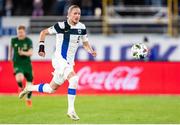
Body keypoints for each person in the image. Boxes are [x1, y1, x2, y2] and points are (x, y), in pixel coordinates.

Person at [19, 5, 97, 121]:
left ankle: (29, 87)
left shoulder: (82, 27)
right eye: (75, 13)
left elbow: (85, 43)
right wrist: (41, 48)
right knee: (74, 79)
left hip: (69, 63)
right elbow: (43, 32)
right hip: (59, 59)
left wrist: (91, 51)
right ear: (68, 15)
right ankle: (71, 110)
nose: (77, 16)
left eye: (79, 14)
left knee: (51, 89)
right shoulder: (61, 26)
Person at [9, 25, 33, 107]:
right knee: (19, 77)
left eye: (21, 32)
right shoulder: (13, 40)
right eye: (18, 32)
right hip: (17, 63)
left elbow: (30, 53)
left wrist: (23, 53)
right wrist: (10, 56)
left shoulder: (28, 41)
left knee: (30, 84)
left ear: (24, 32)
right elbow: (11, 48)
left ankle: (28, 99)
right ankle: (21, 87)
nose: (20, 34)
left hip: (27, 64)